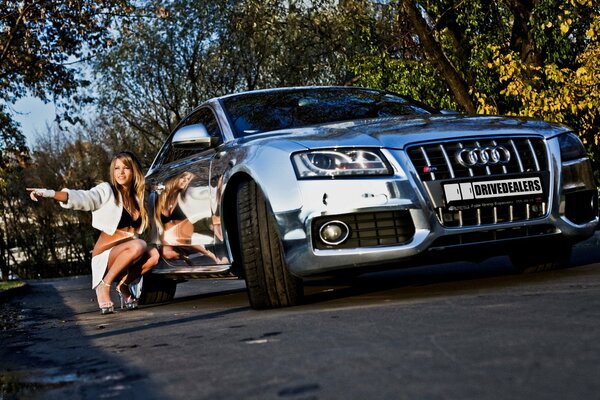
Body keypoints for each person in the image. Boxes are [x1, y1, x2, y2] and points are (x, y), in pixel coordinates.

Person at [27, 151, 159, 315]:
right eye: (116, 168)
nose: (120, 172)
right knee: (139, 245)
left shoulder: (139, 198)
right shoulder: (107, 191)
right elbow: (83, 197)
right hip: (106, 255)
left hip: (128, 254)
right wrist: (49, 193)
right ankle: (104, 285)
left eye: (126, 168)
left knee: (153, 254)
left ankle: (123, 285)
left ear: (134, 171)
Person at [153, 171, 226, 264]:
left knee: (174, 234)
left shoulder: (184, 197)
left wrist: (219, 185)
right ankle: (187, 257)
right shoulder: (159, 195)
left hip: (183, 231)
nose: (185, 181)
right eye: (182, 178)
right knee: (167, 254)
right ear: (174, 178)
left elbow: (214, 198)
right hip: (168, 235)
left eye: (188, 179)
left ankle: (209, 254)